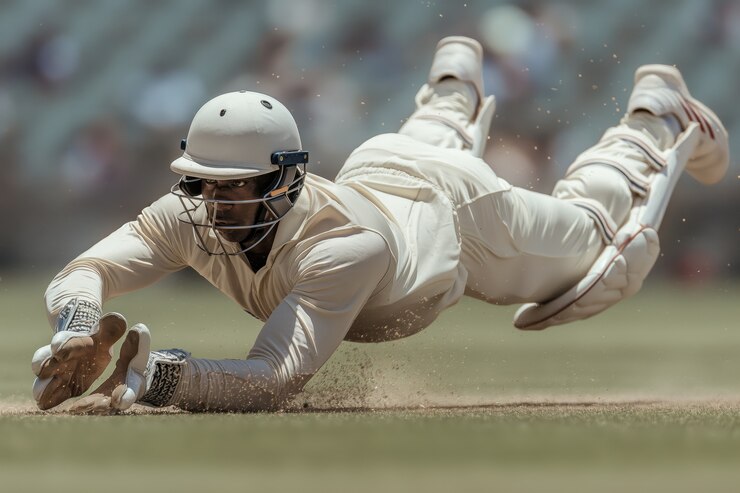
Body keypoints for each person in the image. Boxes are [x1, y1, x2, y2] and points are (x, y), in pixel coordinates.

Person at [32, 36, 729, 413]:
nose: (213, 204)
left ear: (283, 181)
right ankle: (453, 84)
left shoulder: (342, 250)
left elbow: (272, 378)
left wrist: (159, 378)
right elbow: (84, 271)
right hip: (384, 165)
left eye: (233, 188)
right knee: (420, 140)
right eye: (204, 185)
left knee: (605, 254)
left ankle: (653, 114)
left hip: (463, 219)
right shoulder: (186, 214)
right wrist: (75, 327)